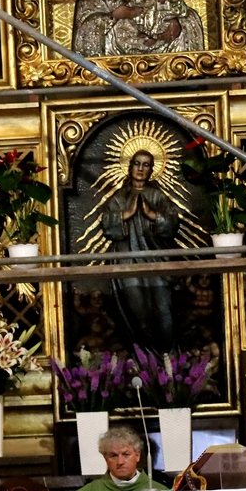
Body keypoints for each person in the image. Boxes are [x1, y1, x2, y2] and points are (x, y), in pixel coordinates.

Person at [100, 149, 180, 355]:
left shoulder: (157, 196)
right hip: (127, 262)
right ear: (130, 167)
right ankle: (143, 360)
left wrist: (152, 215)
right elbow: (107, 225)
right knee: (137, 313)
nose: (141, 168)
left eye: (146, 165)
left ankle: (168, 361)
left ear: (152, 170)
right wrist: (125, 215)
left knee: (164, 313)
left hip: (156, 261)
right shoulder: (119, 198)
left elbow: (173, 223)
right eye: (137, 163)